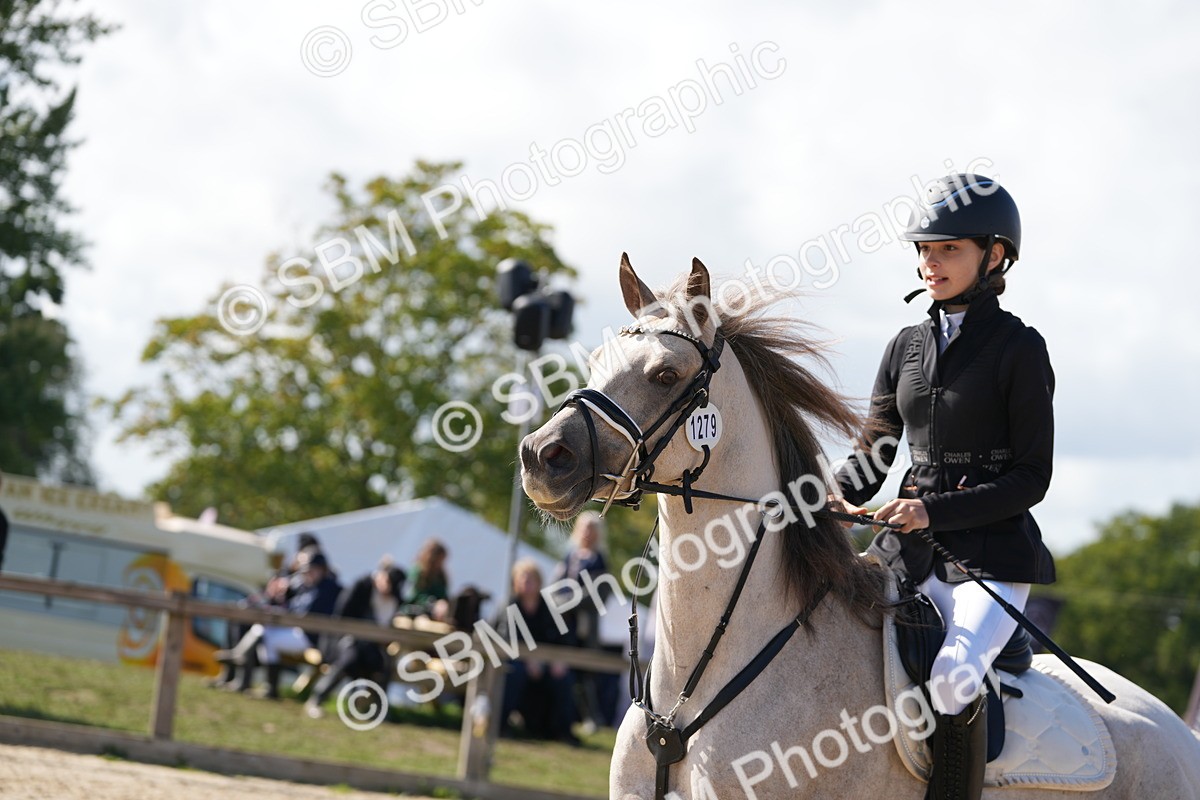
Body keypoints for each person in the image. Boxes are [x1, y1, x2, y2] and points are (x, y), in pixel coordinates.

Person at [831, 174, 1056, 800]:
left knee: (955, 679)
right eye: (925, 250)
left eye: (949, 249)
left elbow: (1031, 478)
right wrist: (828, 495)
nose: (932, 262)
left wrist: (930, 510)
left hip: (990, 557)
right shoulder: (904, 346)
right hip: (907, 554)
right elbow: (872, 455)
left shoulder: (1020, 349)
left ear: (995, 255)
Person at [217, 550, 342, 698]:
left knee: (264, 633)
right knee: (264, 634)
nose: (307, 574)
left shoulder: (329, 588)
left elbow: (307, 615)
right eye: (306, 571)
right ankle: (268, 687)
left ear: (321, 569)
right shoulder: (306, 587)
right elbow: (292, 607)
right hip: (298, 631)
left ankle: (242, 660)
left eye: (311, 570)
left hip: (311, 638)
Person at [304, 557, 406, 718]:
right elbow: (341, 617)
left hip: (373, 646)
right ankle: (317, 699)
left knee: (384, 665)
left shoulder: (395, 598)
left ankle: (378, 710)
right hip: (346, 640)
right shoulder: (362, 587)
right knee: (349, 659)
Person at [498, 559, 578, 745]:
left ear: (539, 582)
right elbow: (506, 639)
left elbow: (564, 638)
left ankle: (562, 731)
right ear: (515, 582)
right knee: (514, 672)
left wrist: (559, 661)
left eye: (531, 578)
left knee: (564, 679)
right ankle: (501, 725)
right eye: (522, 578)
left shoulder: (549, 608)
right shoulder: (509, 606)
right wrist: (528, 660)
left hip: (545, 663)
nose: (526, 582)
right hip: (515, 661)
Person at [402, 538, 450, 621]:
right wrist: (433, 604)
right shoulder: (417, 572)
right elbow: (413, 597)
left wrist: (443, 603)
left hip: (436, 613)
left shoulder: (440, 575)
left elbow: (443, 595)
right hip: (414, 612)